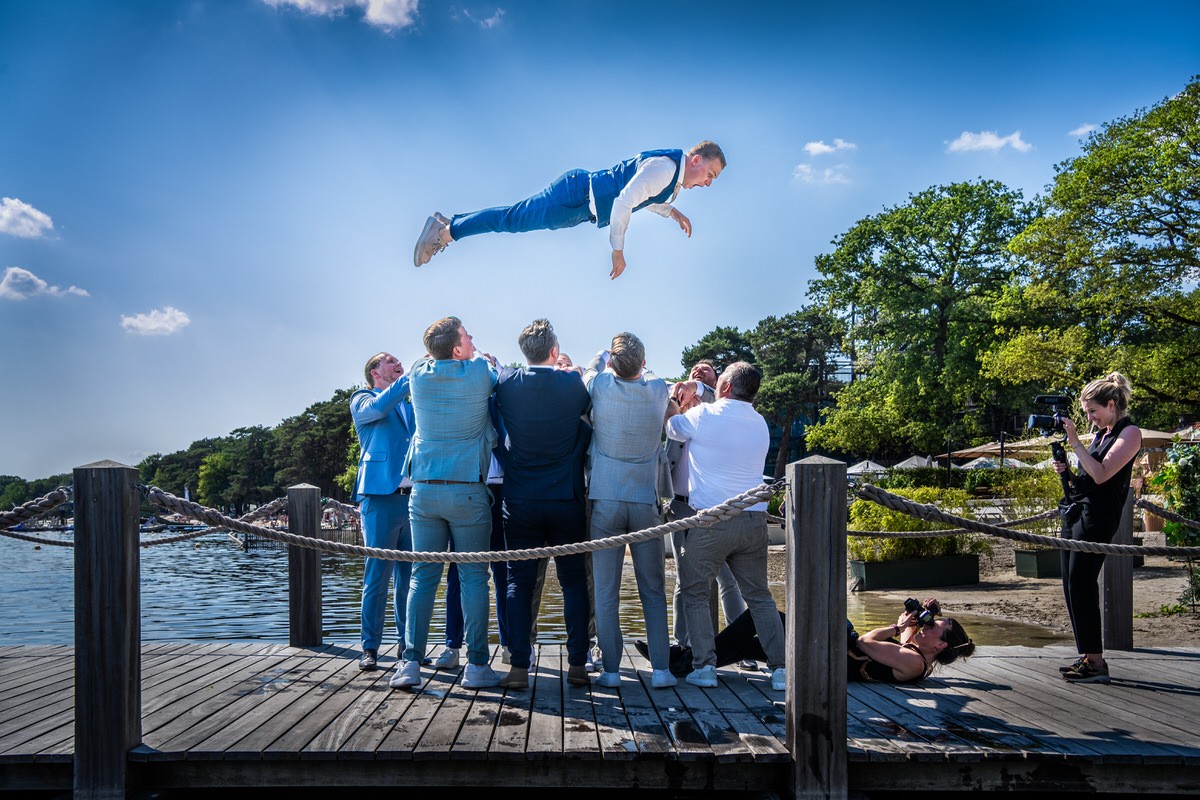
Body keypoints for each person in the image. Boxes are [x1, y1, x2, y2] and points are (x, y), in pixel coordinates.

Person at [413, 141, 726, 279]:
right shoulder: (665, 168)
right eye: (710, 175)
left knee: (513, 217)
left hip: (578, 203)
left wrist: (673, 213)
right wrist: (617, 250)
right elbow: (624, 202)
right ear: (696, 160)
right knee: (512, 220)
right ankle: (446, 232)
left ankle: (448, 224)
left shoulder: (669, 174)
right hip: (575, 197)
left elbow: (646, 196)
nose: (708, 183)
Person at [391, 317, 502, 691]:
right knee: (473, 577)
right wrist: (479, 356)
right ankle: (477, 666)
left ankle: (409, 664)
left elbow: (424, 358)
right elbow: (490, 369)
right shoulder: (480, 373)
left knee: (423, 578)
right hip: (467, 490)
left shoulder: (419, 376)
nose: (472, 339)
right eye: (467, 337)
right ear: (457, 349)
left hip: (423, 491)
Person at [664, 361, 787, 691]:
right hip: (753, 520)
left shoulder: (704, 416)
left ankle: (705, 665)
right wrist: (699, 390)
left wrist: (674, 402)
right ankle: (780, 669)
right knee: (759, 596)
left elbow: (672, 428)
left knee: (693, 589)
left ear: (727, 386)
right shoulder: (760, 422)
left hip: (712, 521)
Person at [493, 318, 594, 690]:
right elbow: (584, 417)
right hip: (566, 498)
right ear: (555, 351)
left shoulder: (506, 384)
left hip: (520, 499)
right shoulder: (571, 383)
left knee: (519, 583)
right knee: (573, 583)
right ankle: (579, 664)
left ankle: (519, 666)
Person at [582, 335, 676, 689]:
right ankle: (662, 670)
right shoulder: (656, 390)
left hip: (605, 498)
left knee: (607, 592)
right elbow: (649, 373)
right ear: (642, 362)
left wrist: (601, 354)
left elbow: (588, 372)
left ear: (612, 364)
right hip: (644, 501)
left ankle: (611, 670)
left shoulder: (601, 385)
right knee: (652, 589)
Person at [1052, 372, 1142, 684]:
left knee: (1081, 582)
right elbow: (1090, 479)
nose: (1089, 417)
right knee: (1070, 583)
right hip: (1078, 511)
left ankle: (1096, 661)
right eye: (1086, 412)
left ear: (1113, 404)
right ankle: (1087, 655)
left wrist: (1075, 442)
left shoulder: (1129, 433)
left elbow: (1104, 476)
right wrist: (1068, 472)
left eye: (1093, 410)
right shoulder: (1101, 434)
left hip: (1099, 517)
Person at [650, 598, 974, 684]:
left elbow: (864, 643)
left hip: (826, 657)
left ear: (941, 645)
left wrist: (900, 629)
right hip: (826, 653)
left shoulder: (913, 661)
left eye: (934, 628)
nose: (928, 628)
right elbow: (876, 638)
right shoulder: (914, 651)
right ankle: (686, 660)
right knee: (751, 645)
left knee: (758, 618)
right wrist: (903, 625)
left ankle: (686, 658)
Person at [664, 359, 749, 663]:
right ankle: (682, 644)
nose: (698, 372)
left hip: (714, 505)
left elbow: (716, 395)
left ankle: (740, 645)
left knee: (728, 579)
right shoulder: (677, 410)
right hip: (680, 503)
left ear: (717, 382)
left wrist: (698, 386)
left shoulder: (718, 405)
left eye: (706, 370)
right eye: (694, 370)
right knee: (682, 578)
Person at [432, 399, 511, 672]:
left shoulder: (501, 398)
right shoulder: (459, 401)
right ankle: (453, 645)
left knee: (505, 572)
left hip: (503, 491)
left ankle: (509, 645)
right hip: (468, 488)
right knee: (458, 573)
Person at [349, 352, 415, 672]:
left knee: (409, 578)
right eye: (390, 361)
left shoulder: (409, 402)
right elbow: (377, 409)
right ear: (375, 372)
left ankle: (408, 646)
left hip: (413, 500)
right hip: (379, 497)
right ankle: (371, 647)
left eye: (398, 361)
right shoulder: (364, 398)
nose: (397, 363)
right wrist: (406, 380)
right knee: (376, 576)